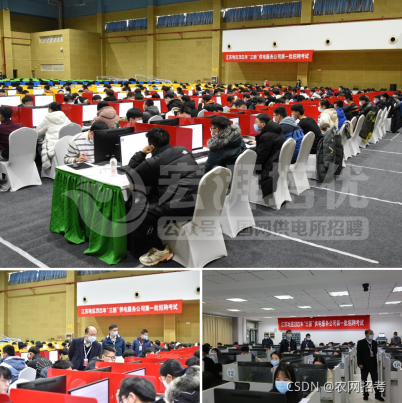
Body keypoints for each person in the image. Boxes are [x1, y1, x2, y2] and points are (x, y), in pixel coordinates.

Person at [119, 127, 202, 265]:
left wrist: (141, 153)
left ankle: (160, 249)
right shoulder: (183, 149)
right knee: (150, 197)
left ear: (151, 146)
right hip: (198, 201)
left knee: (139, 212)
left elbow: (131, 176)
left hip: (181, 207)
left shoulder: (153, 162)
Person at [247, 113, 285, 197]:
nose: (255, 124)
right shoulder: (276, 130)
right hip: (276, 162)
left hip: (269, 166)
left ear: (263, 124)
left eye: (256, 122)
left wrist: (256, 169)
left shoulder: (267, 136)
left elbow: (261, 158)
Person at [36, 102, 71, 171]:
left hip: (52, 145)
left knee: (39, 145)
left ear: (50, 109)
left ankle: (43, 169)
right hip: (65, 144)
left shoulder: (47, 118)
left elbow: (38, 133)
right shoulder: (65, 117)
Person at [357, 329, 384, 401]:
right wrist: (359, 363)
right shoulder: (360, 342)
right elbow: (358, 354)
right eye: (370, 334)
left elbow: (375, 353)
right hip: (364, 364)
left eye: (373, 334)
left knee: (375, 380)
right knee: (364, 380)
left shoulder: (374, 342)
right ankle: (365, 395)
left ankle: (378, 395)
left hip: (373, 364)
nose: (372, 335)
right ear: (366, 335)